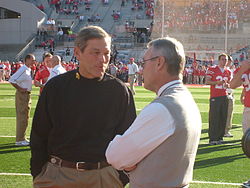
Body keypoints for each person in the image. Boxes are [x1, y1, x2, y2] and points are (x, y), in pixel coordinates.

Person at [30, 25, 136, 188]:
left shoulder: (119, 91)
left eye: (106, 54)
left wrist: (119, 177)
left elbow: (128, 139)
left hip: (104, 177)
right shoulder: (55, 87)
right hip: (58, 175)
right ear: (77, 53)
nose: (102, 59)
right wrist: (39, 173)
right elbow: (39, 134)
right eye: (95, 53)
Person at [106, 37, 202, 188]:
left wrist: (129, 162)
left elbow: (115, 156)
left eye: (144, 63)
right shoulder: (184, 98)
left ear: (159, 63)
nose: (141, 69)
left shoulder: (163, 108)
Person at [9, 54, 36, 146]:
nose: (34, 62)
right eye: (32, 60)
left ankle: (22, 137)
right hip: (22, 95)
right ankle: (19, 140)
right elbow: (12, 79)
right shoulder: (23, 69)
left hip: (27, 95)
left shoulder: (28, 69)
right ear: (27, 60)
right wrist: (20, 89)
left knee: (25, 117)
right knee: (22, 117)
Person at [205, 53, 231, 145]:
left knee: (223, 117)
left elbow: (229, 83)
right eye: (223, 59)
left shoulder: (228, 71)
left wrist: (227, 85)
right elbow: (207, 81)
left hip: (225, 95)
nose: (224, 61)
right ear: (219, 60)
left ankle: (220, 137)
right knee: (214, 117)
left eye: (226, 60)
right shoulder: (212, 69)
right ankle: (213, 138)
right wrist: (217, 82)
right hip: (215, 96)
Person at [230, 59, 250, 134]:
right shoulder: (245, 67)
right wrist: (242, 69)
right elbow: (232, 85)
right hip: (248, 107)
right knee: (247, 139)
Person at [224, 55, 234, 137]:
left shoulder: (228, 70)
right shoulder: (226, 71)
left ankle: (225, 130)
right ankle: (226, 130)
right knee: (228, 113)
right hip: (227, 93)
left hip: (229, 93)